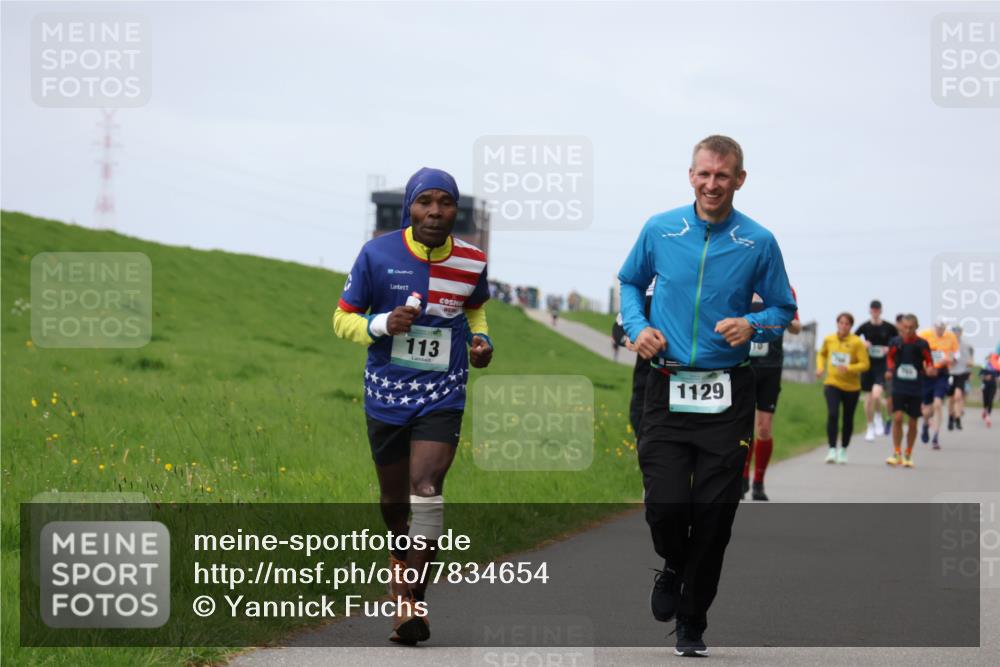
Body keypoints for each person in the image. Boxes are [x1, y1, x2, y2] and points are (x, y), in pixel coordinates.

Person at [618, 135, 796, 658]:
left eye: (722, 175)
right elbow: (630, 282)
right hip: (667, 386)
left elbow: (783, 308)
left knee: (716, 514)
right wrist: (637, 326)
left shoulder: (758, 241)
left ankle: (692, 621)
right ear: (690, 175)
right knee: (667, 506)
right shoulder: (660, 229)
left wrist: (753, 324)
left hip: (727, 392)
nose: (711, 184)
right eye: (703, 174)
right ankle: (673, 563)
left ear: (740, 179)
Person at [333, 167, 493, 645]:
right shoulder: (377, 254)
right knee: (394, 502)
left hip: (444, 391)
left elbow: (475, 308)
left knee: (427, 486)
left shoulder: (472, 260)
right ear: (410, 207)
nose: (435, 212)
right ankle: (399, 563)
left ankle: (409, 603)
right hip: (387, 392)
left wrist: (481, 340)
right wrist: (382, 324)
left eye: (445, 203)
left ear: (455, 210)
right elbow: (342, 320)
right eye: (426, 202)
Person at [743, 290, 801, 501]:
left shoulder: (784, 289)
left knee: (764, 428)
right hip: (743, 364)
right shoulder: (742, 281)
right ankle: (742, 476)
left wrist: (783, 318)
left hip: (771, 366)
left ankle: (759, 482)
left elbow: (796, 327)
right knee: (743, 425)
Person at [816, 312, 870, 463]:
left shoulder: (857, 342)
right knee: (833, 414)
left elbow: (865, 364)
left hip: (852, 387)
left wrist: (849, 368)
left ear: (851, 326)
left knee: (848, 418)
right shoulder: (829, 339)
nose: (843, 326)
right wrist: (820, 368)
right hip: (832, 383)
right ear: (837, 324)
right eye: (841, 323)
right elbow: (821, 354)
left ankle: (844, 449)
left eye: (847, 324)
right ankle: (832, 449)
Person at [884, 314, 935, 467]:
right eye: (904, 328)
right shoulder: (895, 342)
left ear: (916, 328)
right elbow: (889, 358)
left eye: (910, 328)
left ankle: (908, 453)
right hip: (899, 384)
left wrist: (929, 368)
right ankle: (896, 452)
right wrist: (889, 369)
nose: (907, 331)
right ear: (901, 327)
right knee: (898, 417)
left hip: (915, 387)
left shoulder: (922, 344)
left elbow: (929, 361)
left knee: (913, 422)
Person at [855, 300, 898, 441]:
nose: (875, 312)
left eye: (877, 310)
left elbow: (898, 341)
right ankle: (870, 426)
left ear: (880, 311)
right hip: (868, 365)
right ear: (870, 311)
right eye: (873, 310)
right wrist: (863, 344)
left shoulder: (889, 327)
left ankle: (878, 417)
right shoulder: (865, 327)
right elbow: (853, 340)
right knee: (868, 399)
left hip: (882, 365)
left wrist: (889, 348)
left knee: (876, 395)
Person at [918, 318, 958, 449]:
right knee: (927, 409)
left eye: (943, 328)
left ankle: (935, 436)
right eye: (938, 328)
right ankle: (925, 424)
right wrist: (926, 367)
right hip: (926, 374)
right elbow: (917, 353)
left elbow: (954, 356)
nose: (940, 330)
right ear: (934, 327)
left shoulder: (951, 337)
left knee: (938, 404)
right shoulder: (924, 335)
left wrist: (949, 360)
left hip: (941, 374)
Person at [946, 325, 975, 431]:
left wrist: (970, 366)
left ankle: (957, 418)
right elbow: (939, 357)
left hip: (962, 373)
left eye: (958, 331)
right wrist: (949, 360)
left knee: (958, 396)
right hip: (950, 373)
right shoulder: (947, 343)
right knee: (951, 398)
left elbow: (971, 359)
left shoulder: (967, 345)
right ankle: (950, 416)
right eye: (954, 331)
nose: (956, 333)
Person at [884, 313, 906, 432]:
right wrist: (888, 369)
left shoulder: (910, 337)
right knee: (890, 398)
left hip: (906, 373)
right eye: (900, 323)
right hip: (892, 371)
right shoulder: (890, 336)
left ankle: (899, 419)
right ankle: (888, 417)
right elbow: (888, 355)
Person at [981, 351, 999, 428]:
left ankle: (988, 417)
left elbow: (998, 377)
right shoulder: (984, 366)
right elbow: (981, 376)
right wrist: (985, 377)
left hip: (993, 386)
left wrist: (997, 379)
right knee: (986, 400)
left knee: (990, 400)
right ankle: (985, 410)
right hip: (985, 385)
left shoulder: (997, 367)